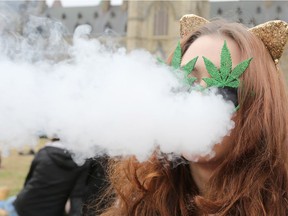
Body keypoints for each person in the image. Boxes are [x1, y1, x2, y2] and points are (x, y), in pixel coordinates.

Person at [98, 15, 288, 215]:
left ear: (261, 109)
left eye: (224, 88)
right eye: (185, 82)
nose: (198, 99)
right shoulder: (136, 208)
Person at [11, 137, 90, 216]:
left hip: (24, 206)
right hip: (52, 211)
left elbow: (28, 181)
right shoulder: (81, 162)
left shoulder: (43, 153)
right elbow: (76, 196)